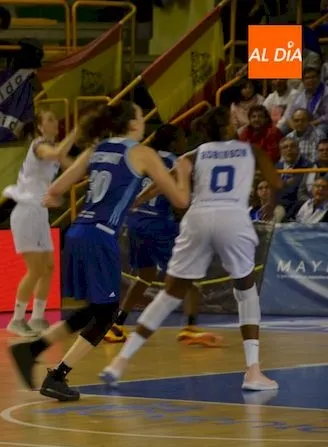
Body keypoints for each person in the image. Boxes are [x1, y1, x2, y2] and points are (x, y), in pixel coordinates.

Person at [8, 101, 191, 401]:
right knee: (106, 315)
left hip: (78, 232)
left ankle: (33, 351)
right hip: (101, 236)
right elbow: (181, 200)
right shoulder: (143, 153)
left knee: (98, 309)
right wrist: (182, 173)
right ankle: (55, 374)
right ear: (133, 124)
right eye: (141, 116)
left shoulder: (97, 149)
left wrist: (62, 200)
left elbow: (55, 191)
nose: (144, 121)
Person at [99, 106, 281, 391]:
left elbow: (159, 184)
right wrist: (270, 204)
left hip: (198, 217)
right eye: (233, 120)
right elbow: (276, 182)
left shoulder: (195, 154)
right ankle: (253, 371)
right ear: (228, 127)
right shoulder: (252, 150)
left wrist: (134, 203)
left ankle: (119, 363)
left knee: (169, 294)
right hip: (232, 217)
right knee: (246, 292)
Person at [104, 124, 222, 347]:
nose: (184, 142)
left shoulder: (143, 158)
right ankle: (189, 327)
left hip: (135, 222)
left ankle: (116, 324)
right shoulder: (176, 162)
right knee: (188, 276)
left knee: (145, 275)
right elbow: (180, 199)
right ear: (174, 141)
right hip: (158, 224)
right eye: (182, 137)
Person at [3, 109, 77, 336]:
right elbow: (57, 153)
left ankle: (37, 318)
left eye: (55, 118)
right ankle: (17, 320)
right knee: (35, 269)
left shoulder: (53, 150)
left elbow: (74, 169)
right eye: (50, 119)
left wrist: (92, 151)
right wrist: (77, 131)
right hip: (26, 212)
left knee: (48, 268)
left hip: (39, 212)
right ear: (40, 127)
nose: (56, 122)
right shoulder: (40, 145)